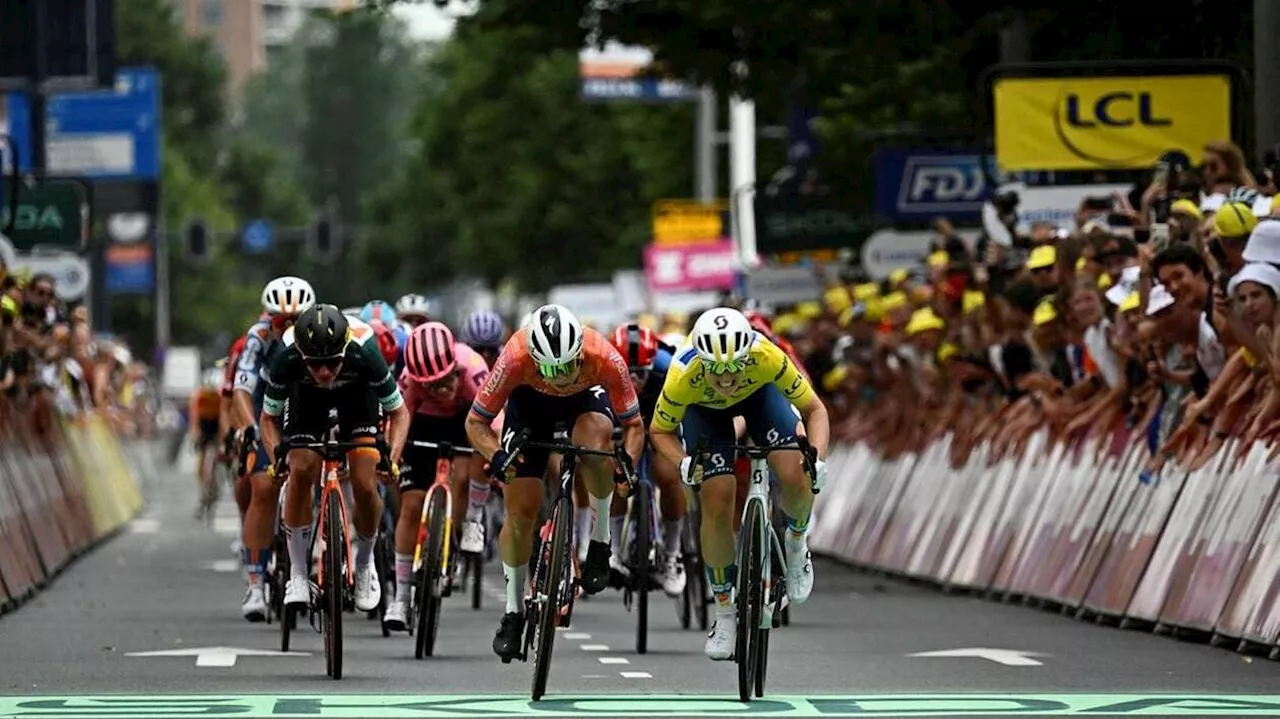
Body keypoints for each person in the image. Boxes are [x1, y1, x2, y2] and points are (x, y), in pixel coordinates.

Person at [648, 307, 830, 661]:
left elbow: (816, 410)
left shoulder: (766, 356)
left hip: (762, 398)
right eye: (718, 369)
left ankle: (796, 545)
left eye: (735, 366)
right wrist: (682, 462)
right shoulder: (683, 373)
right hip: (705, 413)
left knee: (795, 472)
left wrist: (818, 460)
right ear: (702, 361)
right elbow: (660, 431)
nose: (728, 378)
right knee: (716, 499)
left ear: (747, 354)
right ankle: (724, 613)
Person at [464, 304, 644, 661]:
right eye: (551, 369)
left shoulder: (603, 355)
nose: (560, 377)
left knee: (597, 446)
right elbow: (475, 423)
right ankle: (514, 612)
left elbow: (635, 426)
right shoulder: (514, 358)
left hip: (585, 400)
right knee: (520, 514)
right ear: (534, 357)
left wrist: (627, 466)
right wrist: (496, 456)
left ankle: (600, 539)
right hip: (530, 406)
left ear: (580, 352)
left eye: (567, 366)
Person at [261, 304, 410, 614]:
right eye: (316, 365)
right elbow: (267, 419)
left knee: (366, 484)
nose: (325, 372)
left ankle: (365, 561)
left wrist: (392, 459)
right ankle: (299, 575)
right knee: (301, 470)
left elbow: (399, 412)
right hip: (306, 400)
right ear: (302, 355)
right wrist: (277, 459)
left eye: (332, 363)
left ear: (344, 350)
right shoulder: (286, 356)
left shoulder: (365, 350)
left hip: (357, 397)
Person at [383, 322, 491, 631]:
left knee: (463, 474)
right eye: (433, 386)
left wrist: (498, 458)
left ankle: (470, 521)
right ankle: (402, 596)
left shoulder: (473, 367)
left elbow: (492, 423)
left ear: (455, 368)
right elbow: (398, 423)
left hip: (466, 420)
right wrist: (391, 459)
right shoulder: (408, 381)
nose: (443, 391)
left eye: (447, 381)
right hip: (422, 425)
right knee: (411, 504)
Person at [231, 276, 316, 621]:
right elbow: (241, 387)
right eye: (283, 320)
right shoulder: (260, 336)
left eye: (297, 319)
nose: (290, 326)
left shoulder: (323, 330)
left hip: (309, 407)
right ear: (270, 316)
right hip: (270, 410)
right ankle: (255, 584)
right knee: (263, 487)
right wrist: (249, 428)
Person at [606, 322, 686, 595]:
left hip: (660, 417)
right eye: (626, 374)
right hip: (622, 419)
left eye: (640, 373)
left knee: (669, 475)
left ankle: (672, 554)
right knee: (615, 472)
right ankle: (612, 549)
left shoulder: (669, 367)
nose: (634, 381)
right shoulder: (602, 368)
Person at [188, 368, 224, 516]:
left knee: (214, 460)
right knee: (201, 463)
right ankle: (203, 492)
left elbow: (223, 419)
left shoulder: (220, 396)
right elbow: (195, 417)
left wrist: (222, 439)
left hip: (215, 426)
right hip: (204, 427)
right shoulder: (199, 396)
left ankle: (214, 485)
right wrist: (195, 434)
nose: (211, 395)